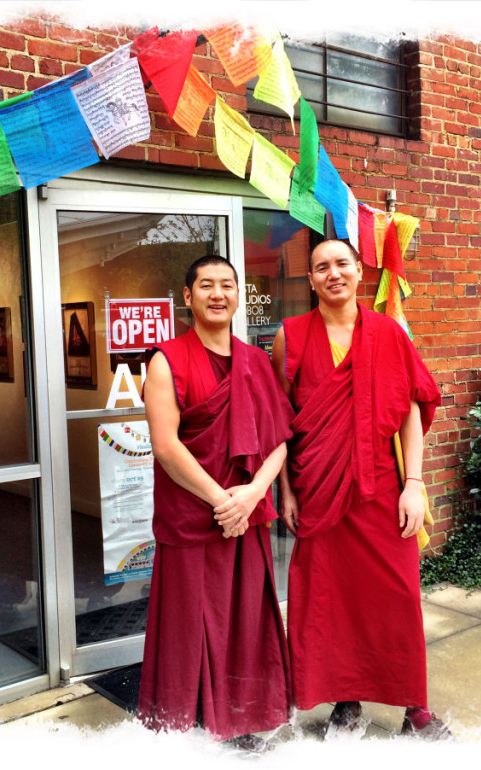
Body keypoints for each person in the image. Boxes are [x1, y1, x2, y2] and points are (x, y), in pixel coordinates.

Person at [271, 239, 448, 739]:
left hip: (382, 493)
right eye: (321, 267)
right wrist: (285, 491)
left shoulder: (389, 333)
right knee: (330, 602)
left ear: (359, 271)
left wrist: (414, 484)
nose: (333, 274)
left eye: (341, 264)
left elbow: (411, 410)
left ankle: (417, 710)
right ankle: (345, 703)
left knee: (397, 598)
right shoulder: (292, 336)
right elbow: (279, 424)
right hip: (320, 493)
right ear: (310, 280)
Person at [137, 255, 294, 750]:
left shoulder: (254, 360)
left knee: (246, 620)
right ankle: (189, 721)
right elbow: (165, 445)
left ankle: (245, 714)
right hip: (193, 516)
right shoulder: (167, 359)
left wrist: (250, 496)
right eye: (206, 285)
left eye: (227, 284)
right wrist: (219, 501)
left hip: (245, 515)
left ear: (237, 294)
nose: (218, 294)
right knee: (190, 623)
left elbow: (280, 440)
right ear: (188, 297)